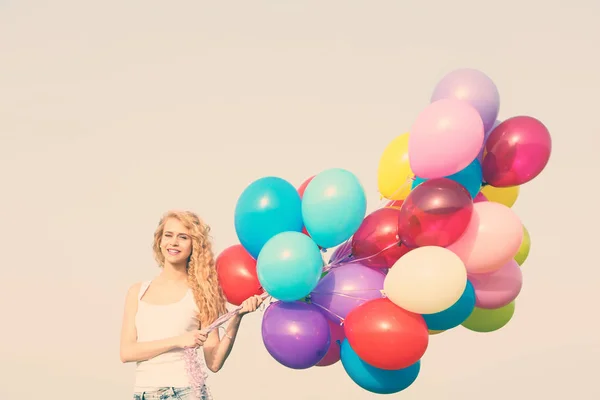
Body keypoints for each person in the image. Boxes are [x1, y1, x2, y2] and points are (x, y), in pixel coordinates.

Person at [120, 210, 263, 400]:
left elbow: (214, 362)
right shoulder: (136, 292)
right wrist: (178, 340)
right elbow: (127, 352)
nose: (174, 242)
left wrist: (237, 317)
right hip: (143, 393)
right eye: (168, 235)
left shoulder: (202, 294)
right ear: (160, 241)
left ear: (193, 245)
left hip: (185, 393)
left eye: (183, 237)